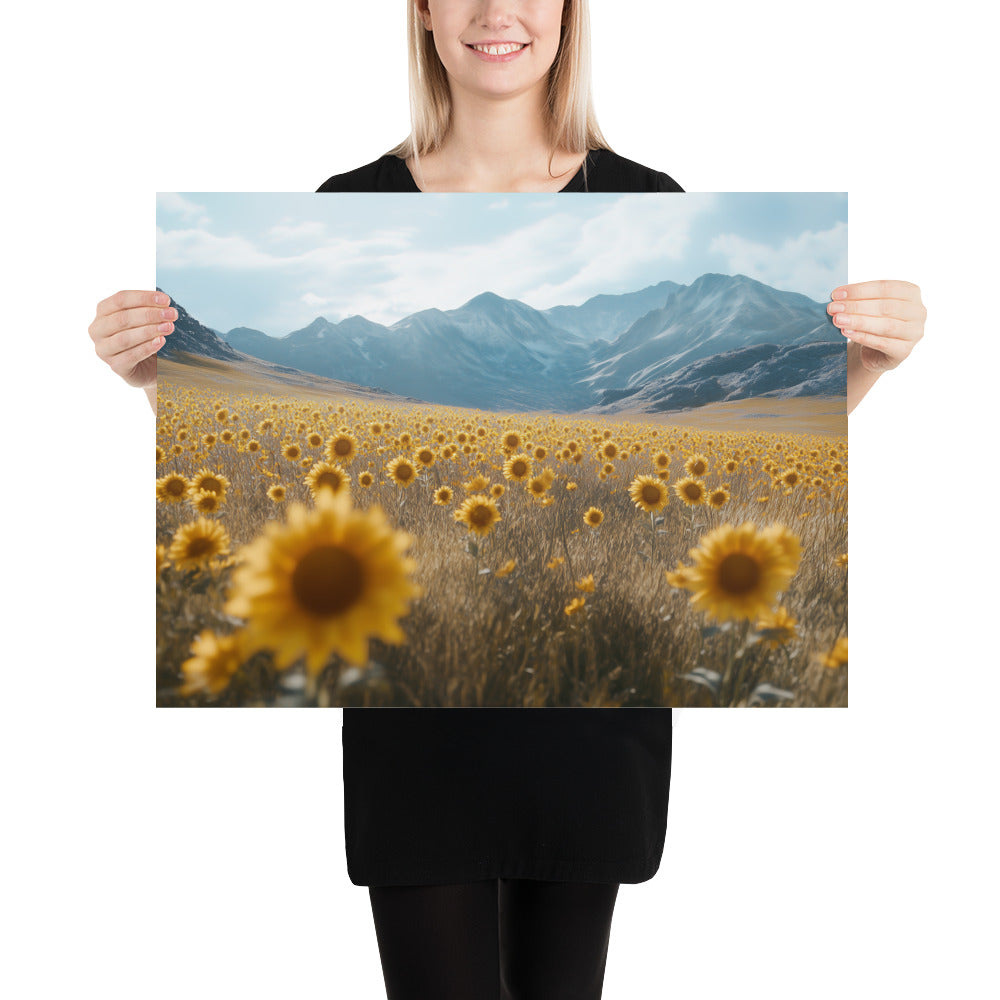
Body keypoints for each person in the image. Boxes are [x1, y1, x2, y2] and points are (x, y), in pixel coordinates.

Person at [90, 2, 926, 997]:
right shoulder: (351, 197)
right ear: (425, 14)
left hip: (591, 734)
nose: (497, 11)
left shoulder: (645, 196)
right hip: (413, 729)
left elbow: (789, 460)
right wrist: (158, 382)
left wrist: (863, 369)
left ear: (570, 14)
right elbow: (263, 483)